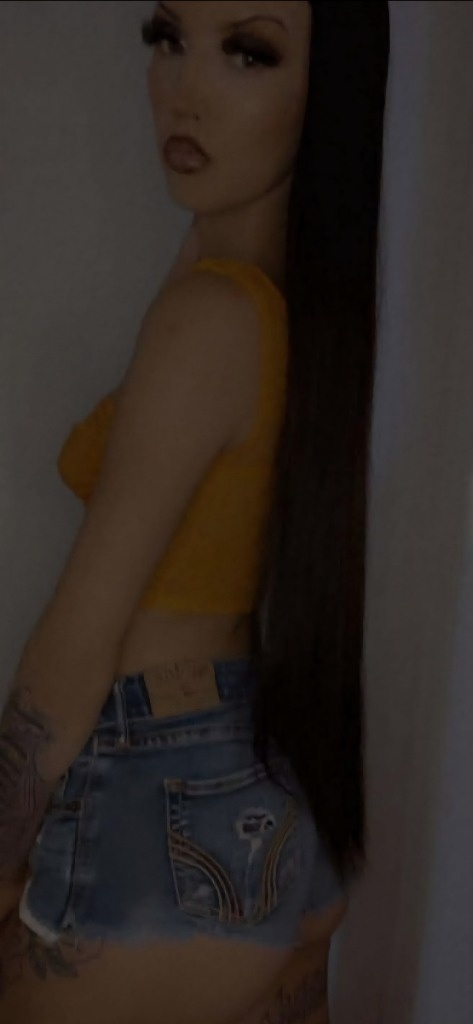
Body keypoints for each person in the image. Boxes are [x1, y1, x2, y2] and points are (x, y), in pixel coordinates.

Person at [0, 2, 390, 1021]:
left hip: (153, 805)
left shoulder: (209, 321)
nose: (184, 90)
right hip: (260, 809)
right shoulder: (275, 311)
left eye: (246, 53)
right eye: (167, 38)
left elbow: (76, 643)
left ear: (328, 93)